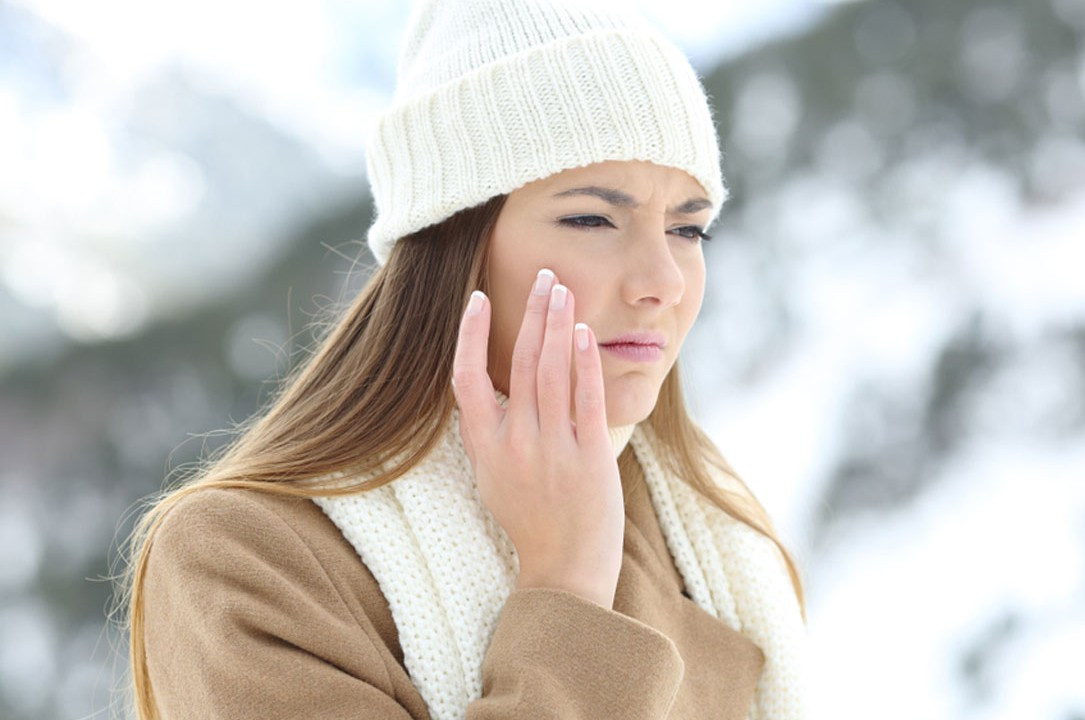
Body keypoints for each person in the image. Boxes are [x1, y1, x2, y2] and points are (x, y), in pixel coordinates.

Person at [121, 0, 811, 718]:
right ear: (453, 244)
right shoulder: (250, 559)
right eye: (591, 219)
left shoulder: (714, 541)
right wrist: (566, 585)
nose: (663, 282)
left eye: (688, 228)